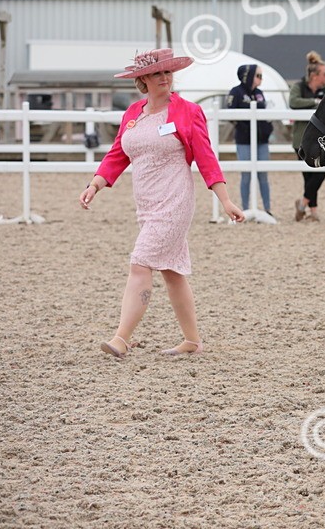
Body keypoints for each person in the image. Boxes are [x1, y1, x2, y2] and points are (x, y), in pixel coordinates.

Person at [80, 48, 245, 358]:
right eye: (158, 73)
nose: (165, 77)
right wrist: (95, 184)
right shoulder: (132, 114)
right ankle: (192, 341)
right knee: (172, 271)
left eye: (168, 72)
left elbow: (206, 158)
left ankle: (121, 338)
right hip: (146, 204)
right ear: (143, 79)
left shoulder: (188, 111)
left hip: (175, 201)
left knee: (140, 262)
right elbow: (118, 154)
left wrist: (226, 201)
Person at [227, 64, 272, 214]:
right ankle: (245, 209)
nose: (261, 79)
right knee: (245, 175)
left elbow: (265, 113)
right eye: (258, 76)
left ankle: (267, 208)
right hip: (244, 141)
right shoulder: (236, 92)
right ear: (249, 76)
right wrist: (245, 127)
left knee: (263, 175)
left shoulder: (260, 93)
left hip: (261, 140)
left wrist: (267, 129)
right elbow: (230, 114)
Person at [290, 51, 325, 222]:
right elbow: (293, 102)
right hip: (301, 140)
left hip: (321, 140)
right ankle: (312, 211)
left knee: (321, 172)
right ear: (314, 76)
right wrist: (315, 103)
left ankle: (302, 204)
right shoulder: (299, 87)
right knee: (309, 176)